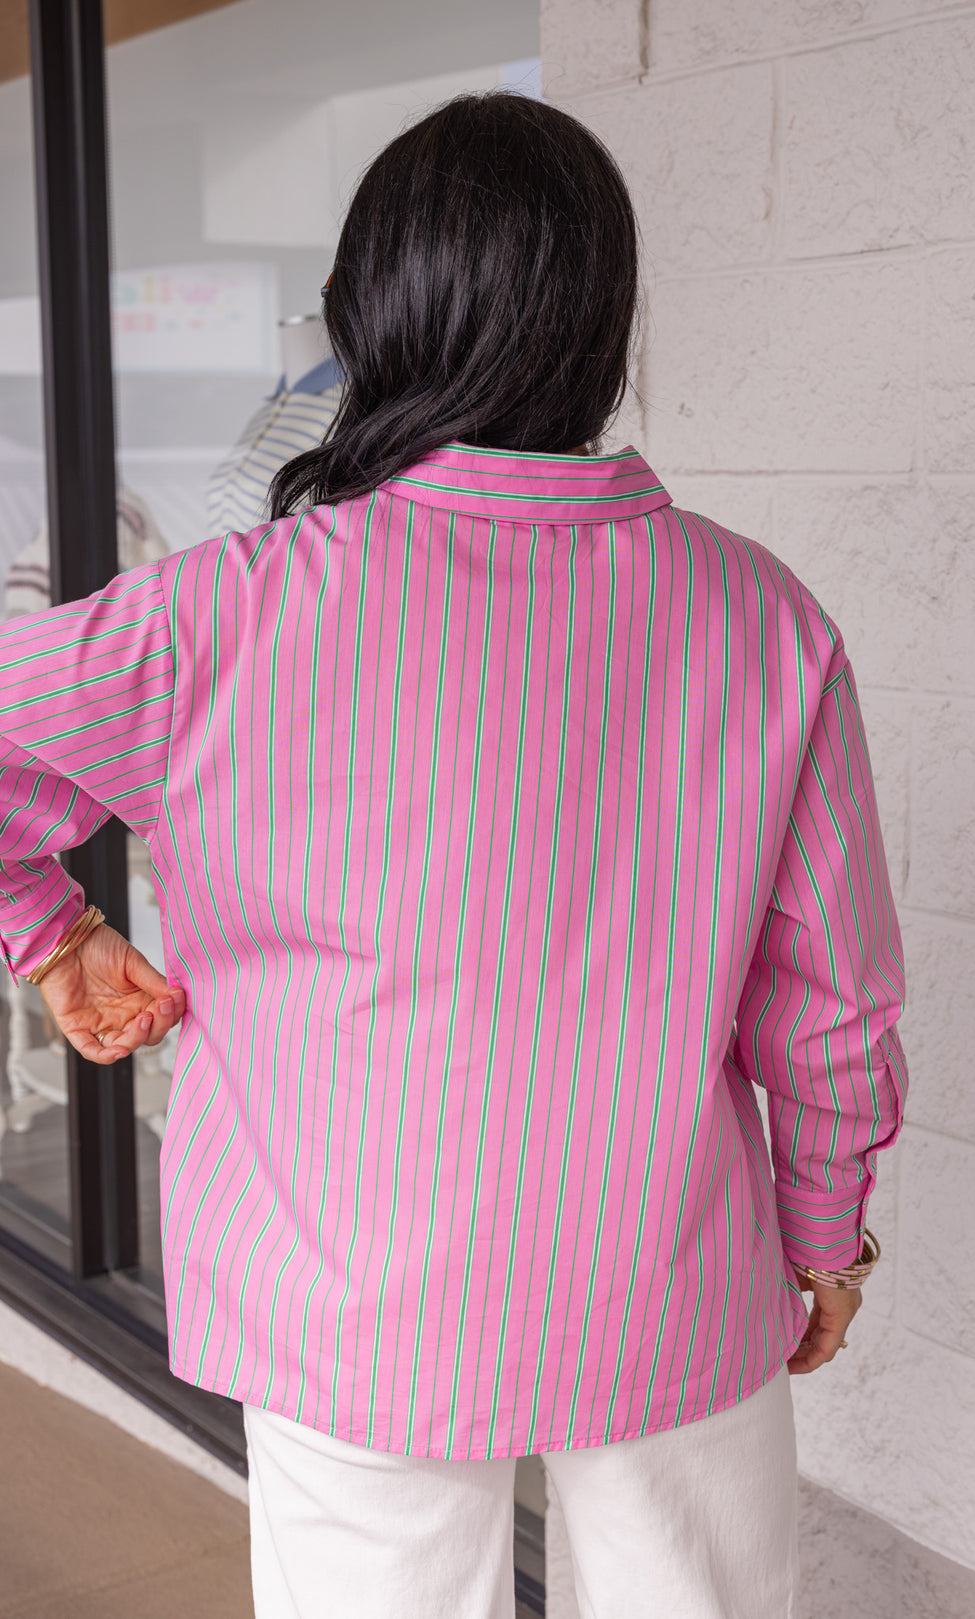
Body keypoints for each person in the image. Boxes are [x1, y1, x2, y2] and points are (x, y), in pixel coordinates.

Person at [0, 92, 907, 1619]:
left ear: (371, 318)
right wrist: (825, 1231)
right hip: (664, 1271)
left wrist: (52, 930)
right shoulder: (763, 619)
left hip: (342, 1284)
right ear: (603, 324)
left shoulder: (221, 611)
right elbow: (831, 1000)